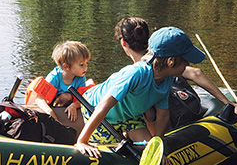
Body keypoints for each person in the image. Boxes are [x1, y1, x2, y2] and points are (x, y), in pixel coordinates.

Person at [74, 27, 201, 158]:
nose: (188, 63)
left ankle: (126, 135)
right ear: (171, 62)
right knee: (114, 155)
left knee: (148, 152)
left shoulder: (167, 79)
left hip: (129, 115)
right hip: (95, 109)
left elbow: (163, 115)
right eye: (186, 60)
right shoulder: (136, 74)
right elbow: (103, 106)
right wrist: (82, 141)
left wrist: (157, 147)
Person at [115, 17, 237, 122]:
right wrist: (230, 103)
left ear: (123, 43)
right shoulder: (161, 60)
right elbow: (196, 73)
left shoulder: (138, 72)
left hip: (167, 119)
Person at [26, 40, 91, 132]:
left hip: (70, 104)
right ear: (66, 67)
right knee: (66, 96)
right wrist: (50, 112)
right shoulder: (54, 77)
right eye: (81, 65)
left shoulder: (81, 77)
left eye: (86, 64)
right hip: (53, 104)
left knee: (70, 97)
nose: (85, 67)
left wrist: (75, 105)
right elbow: (39, 98)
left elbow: (83, 98)